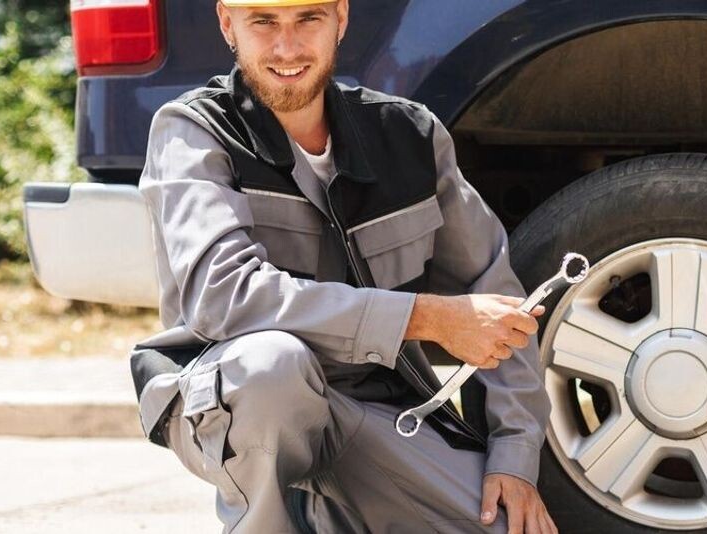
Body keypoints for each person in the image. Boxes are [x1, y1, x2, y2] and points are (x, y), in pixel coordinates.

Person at [127, 0, 557, 532]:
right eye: (263, 21)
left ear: (341, 19)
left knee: (506, 526)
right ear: (227, 23)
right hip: (243, 398)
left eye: (309, 18)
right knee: (273, 365)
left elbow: (500, 302)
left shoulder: (411, 135)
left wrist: (514, 455)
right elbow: (224, 296)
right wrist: (424, 318)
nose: (287, 47)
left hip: (375, 409)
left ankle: (331, 515)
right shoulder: (193, 132)